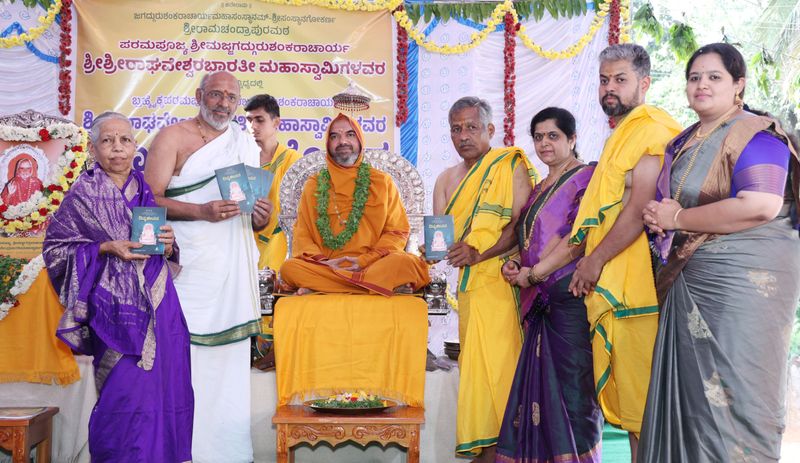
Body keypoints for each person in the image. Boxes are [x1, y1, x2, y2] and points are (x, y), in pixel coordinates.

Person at [639, 43, 800, 462]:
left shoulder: (757, 133)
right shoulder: (685, 142)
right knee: (693, 399)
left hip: (741, 288)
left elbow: (761, 205)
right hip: (693, 280)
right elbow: (676, 205)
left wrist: (676, 220)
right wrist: (661, 216)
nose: (702, 85)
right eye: (694, 78)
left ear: (738, 85)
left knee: (734, 395)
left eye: (714, 77)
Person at [43, 112, 193, 462]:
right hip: (113, 312)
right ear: (94, 149)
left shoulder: (144, 190)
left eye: (125, 140)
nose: (117, 148)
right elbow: (55, 249)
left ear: (135, 147)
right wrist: (106, 247)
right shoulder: (83, 193)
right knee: (122, 395)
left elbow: (160, 246)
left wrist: (170, 244)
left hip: (160, 307)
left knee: (163, 394)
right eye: (108, 140)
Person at [144, 71, 269, 463]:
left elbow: (252, 215)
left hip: (231, 270)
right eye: (215, 94)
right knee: (185, 359)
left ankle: (227, 454)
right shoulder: (173, 138)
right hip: (190, 268)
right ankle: (181, 452)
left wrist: (261, 215)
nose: (223, 104)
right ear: (199, 95)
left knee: (228, 366)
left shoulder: (245, 143)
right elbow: (147, 201)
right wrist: (199, 211)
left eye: (231, 98)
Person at [567, 43, 682, 461]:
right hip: (620, 282)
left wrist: (594, 261)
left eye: (620, 79)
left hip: (640, 288)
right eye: (603, 80)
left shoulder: (652, 128)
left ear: (644, 83)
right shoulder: (624, 132)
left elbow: (640, 209)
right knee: (637, 411)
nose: (608, 89)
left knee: (646, 410)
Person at [432, 96, 537, 462]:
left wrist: (480, 254)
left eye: (471, 127)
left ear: (490, 130)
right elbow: (441, 238)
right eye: (456, 129)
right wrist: (432, 252)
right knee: (477, 375)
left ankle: (507, 452)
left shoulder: (510, 164)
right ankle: (486, 450)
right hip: (469, 291)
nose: (463, 135)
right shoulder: (446, 179)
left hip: (502, 283)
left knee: (503, 375)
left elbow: (519, 226)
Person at [496, 107, 602, 463]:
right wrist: (516, 265)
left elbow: (578, 238)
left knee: (572, 392)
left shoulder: (587, 178)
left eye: (553, 136)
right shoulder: (541, 186)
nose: (544, 143)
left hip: (569, 298)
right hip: (540, 300)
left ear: (572, 139)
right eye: (538, 137)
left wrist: (535, 273)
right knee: (538, 392)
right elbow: (530, 239)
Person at [279, 112, 430, 295]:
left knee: (407, 264)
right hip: (327, 265)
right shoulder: (313, 185)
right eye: (335, 136)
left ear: (360, 141)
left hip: (372, 265)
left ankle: (323, 286)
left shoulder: (382, 182)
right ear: (328, 144)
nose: (342, 141)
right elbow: (302, 234)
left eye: (350, 135)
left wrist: (364, 261)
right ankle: (375, 286)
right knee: (290, 268)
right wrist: (324, 262)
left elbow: (396, 231)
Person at [245, 94, 303, 270]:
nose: (253, 126)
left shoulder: (293, 160)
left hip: (280, 242)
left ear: (276, 123)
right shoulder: (240, 159)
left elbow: (298, 213)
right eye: (249, 120)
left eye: (259, 120)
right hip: (243, 239)